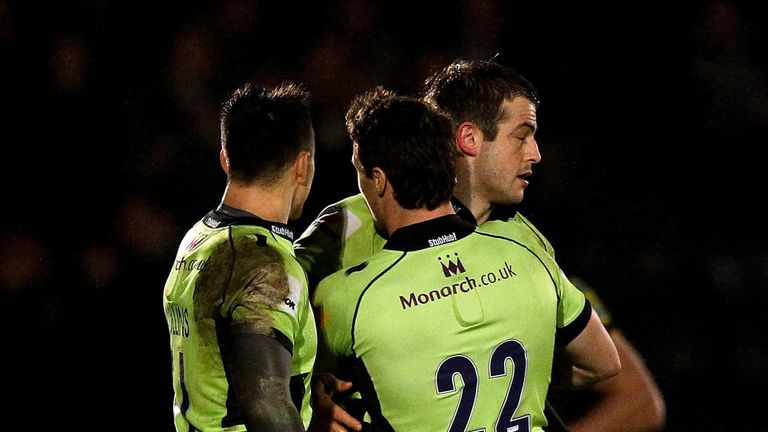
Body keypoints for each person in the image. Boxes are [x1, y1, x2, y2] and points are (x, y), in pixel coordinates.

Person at [295, 58, 665, 431]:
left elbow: (628, 387)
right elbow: (264, 345)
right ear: (468, 138)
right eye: (522, 135)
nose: (535, 153)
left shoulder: (526, 242)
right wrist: (309, 399)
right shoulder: (346, 227)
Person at [162, 81, 319, 431]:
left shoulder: (197, 238)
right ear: (302, 166)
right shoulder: (261, 263)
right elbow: (265, 401)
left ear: (225, 159)